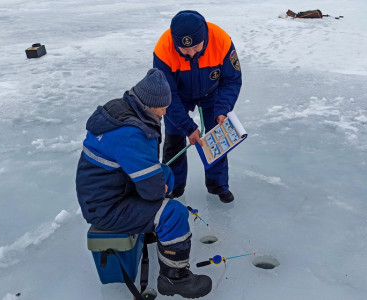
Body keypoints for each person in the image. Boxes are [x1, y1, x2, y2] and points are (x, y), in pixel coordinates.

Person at [75, 68, 212, 298]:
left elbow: (150, 174)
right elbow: (152, 191)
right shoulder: (131, 134)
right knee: (173, 214)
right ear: (149, 104)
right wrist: (159, 187)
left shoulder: (124, 110)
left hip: (109, 193)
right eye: (163, 107)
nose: (166, 111)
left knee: (166, 173)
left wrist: (160, 181)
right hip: (106, 208)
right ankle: (173, 278)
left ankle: (150, 229)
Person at [153, 10, 242, 203]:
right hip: (178, 96)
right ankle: (173, 188)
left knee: (216, 141)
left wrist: (222, 109)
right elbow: (167, 94)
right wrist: (187, 126)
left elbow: (232, 80)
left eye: (196, 47)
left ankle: (218, 186)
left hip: (212, 94)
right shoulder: (163, 48)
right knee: (174, 142)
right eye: (184, 50)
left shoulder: (222, 40)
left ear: (205, 37)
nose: (191, 53)